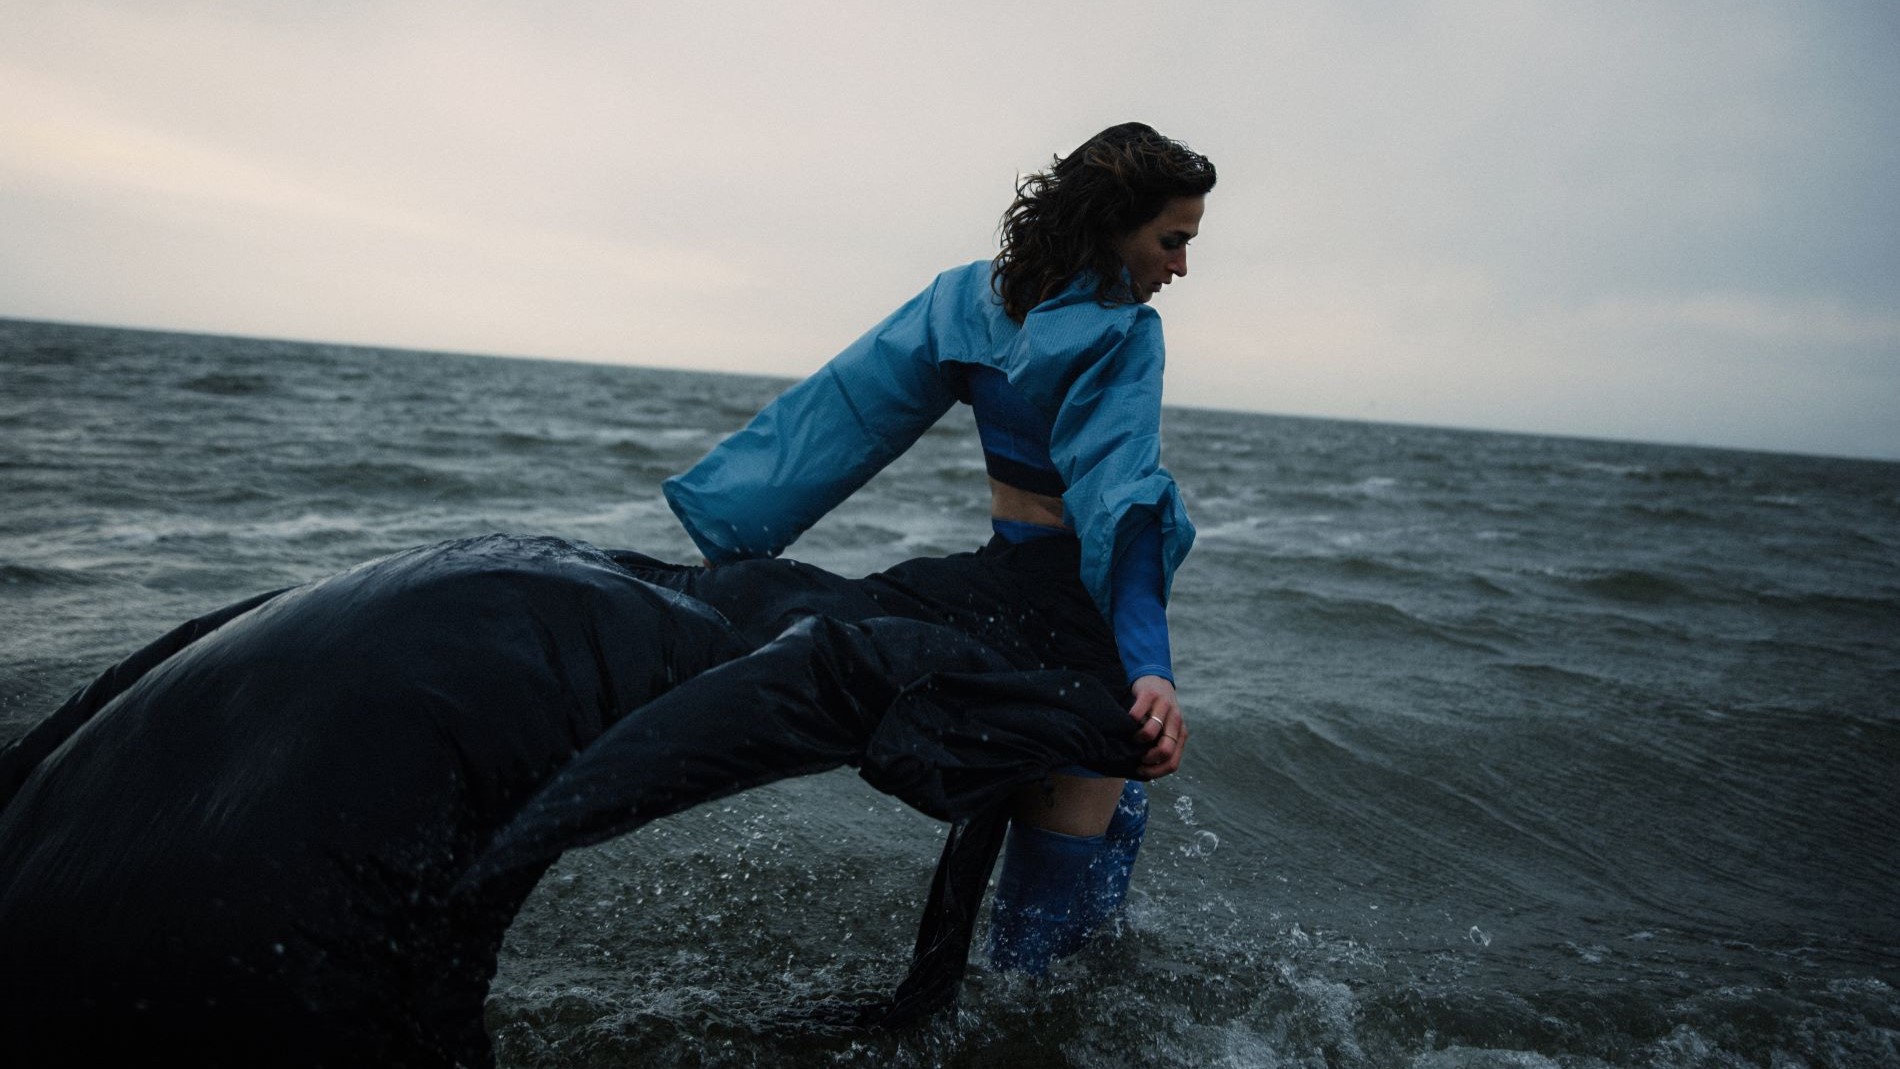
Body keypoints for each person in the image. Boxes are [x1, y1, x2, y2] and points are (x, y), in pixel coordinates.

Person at [661, 121, 1216, 974]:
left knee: (1116, 808)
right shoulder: (1122, 334)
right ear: (1114, 225)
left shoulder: (968, 300)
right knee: (1043, 947)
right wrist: (1150, 664)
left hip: (995, 589)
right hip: (1072, 619)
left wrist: (732, 539)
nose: (1180, 267)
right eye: (1172, 241)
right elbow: (1122, 504)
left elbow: (847, 412)